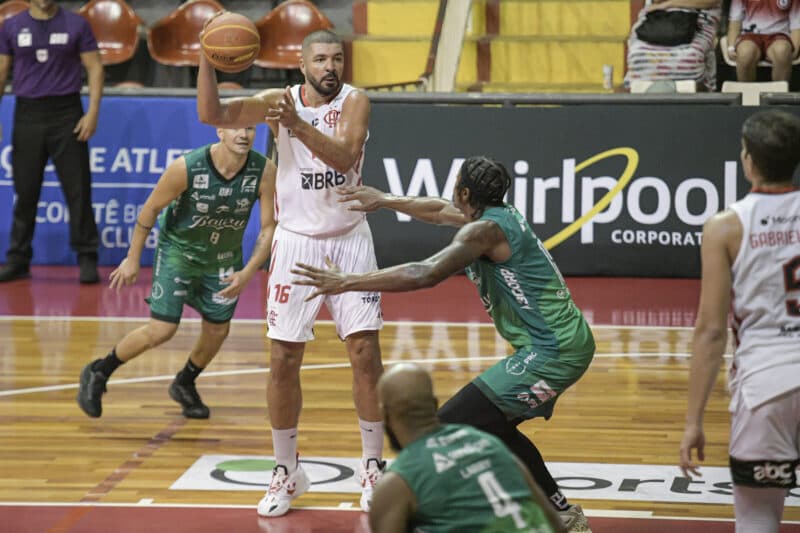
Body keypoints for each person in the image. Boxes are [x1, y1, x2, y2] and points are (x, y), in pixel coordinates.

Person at [294, 156, 596, 532]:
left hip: (554, 351)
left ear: (464, 192)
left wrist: (348, 281)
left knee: (451, 422)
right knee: (493, 424)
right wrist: (384, 199)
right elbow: (438, 211)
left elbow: (425, 273)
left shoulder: (483, 231)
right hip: (557, 344)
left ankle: (457, 512)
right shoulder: (493, 218)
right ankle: (560, 514)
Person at [196, 27, 385, 516]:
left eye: (336, 59)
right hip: (296, 243)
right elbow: (211, 114)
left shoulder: (355, 101)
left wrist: (296, 125)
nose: (330, 67)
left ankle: (372, 465)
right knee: (282, 358)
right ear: (302, 65)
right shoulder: (276, 102)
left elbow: (344, 156)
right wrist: (206, 59)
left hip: (349, 239)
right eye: (320, 59)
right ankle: (286, 470)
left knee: (365, 354)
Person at [76, 126, 276, 419]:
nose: (243, 134)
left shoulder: (264, 170)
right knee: (162, 330)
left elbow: (269, 226)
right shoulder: (187, 167)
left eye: (249, 127)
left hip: (222, 258)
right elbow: (151, 209)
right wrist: (132, 258)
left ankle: (185, 382)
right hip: (179, 253)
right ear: (220, 130)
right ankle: (99, 371)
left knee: (218, 330)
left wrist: (248, 271)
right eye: (235, 127)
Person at [679, 110, 800, 533]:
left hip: (766, 387)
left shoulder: (724, 227)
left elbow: (711, 331)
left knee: (757, 520)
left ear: (748, 160)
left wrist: (693, 421)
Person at [369, 363, 565, 533]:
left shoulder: (398, 482)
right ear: (434, 404)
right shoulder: (492, 445)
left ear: (384, 414)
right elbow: (557, 525)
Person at [0, 0, 104, 283]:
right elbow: (2, 70)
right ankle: (18, 259)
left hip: (66, 113)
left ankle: (87, 257)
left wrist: (93, 112)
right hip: (28, 114)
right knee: (25, 191)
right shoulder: (11, 26)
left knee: (78, 190)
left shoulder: (77, 24)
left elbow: (95, 67)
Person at [625, 0, 721, 91]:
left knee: (690, 57)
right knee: (637, 54)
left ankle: (700, 92)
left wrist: (671, 3)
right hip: (660, 15)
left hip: (699, 18)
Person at [727, 0, 800, 82]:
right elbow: (735, 22)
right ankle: (746, 90)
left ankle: (780, 90)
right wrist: (731, 47)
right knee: (745, 52)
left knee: (782, 51)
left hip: (780, 35)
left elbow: (797, 24)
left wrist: (795, 51)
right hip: (749, 35)